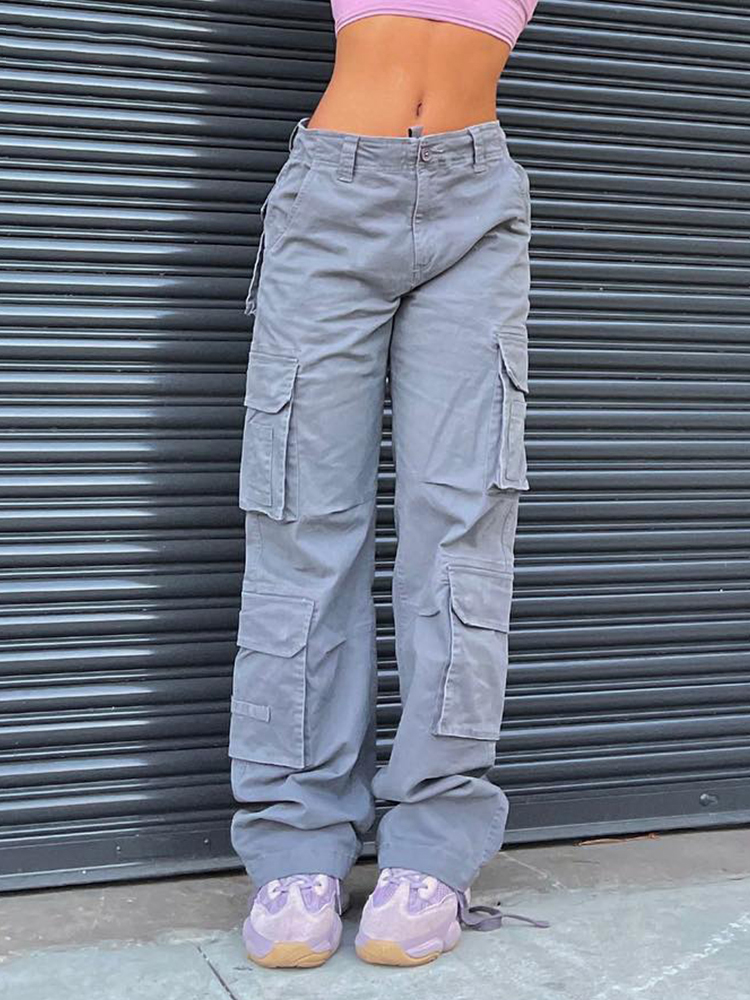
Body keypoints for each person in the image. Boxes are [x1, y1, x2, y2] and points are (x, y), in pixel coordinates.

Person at [230, 0, 548, 970]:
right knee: (299, 524)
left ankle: (434, 846)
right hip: (334, 186)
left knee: (463, 525)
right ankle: (295, 843)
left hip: (477, 196)